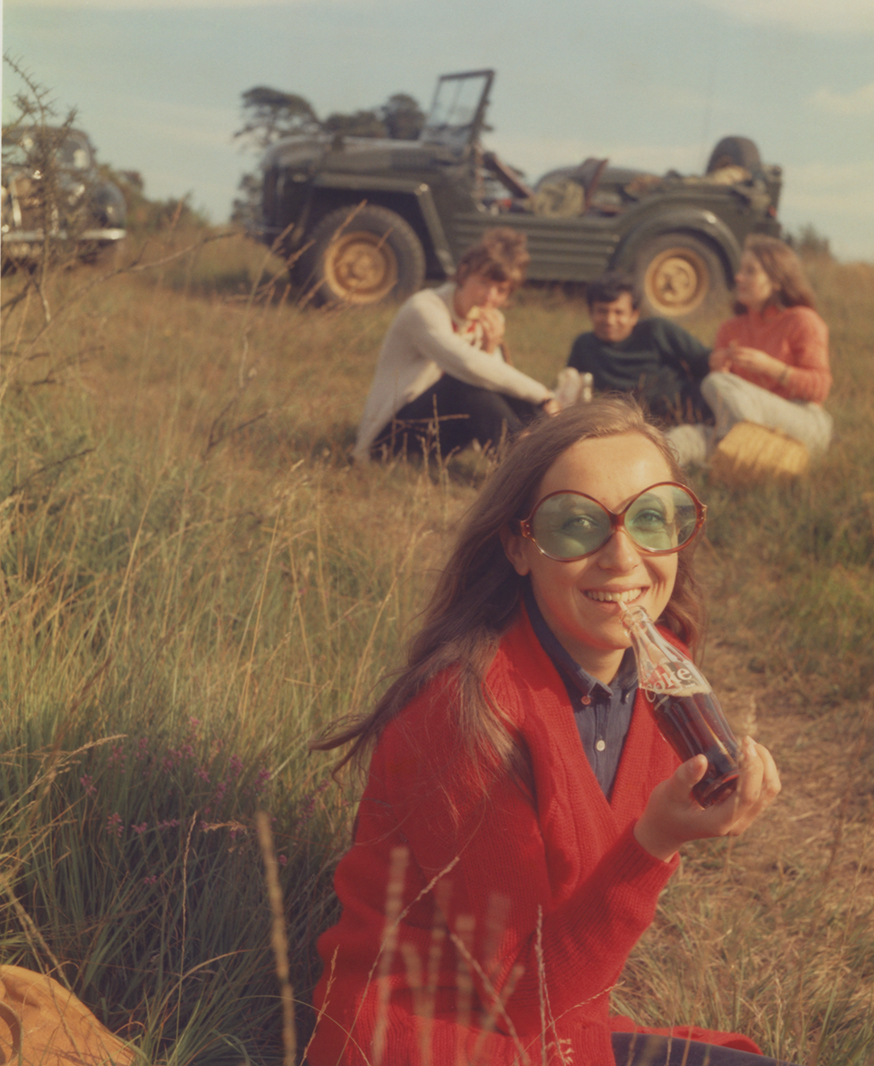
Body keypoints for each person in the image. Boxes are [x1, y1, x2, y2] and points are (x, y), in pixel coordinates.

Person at [309, 397, 787, 1066]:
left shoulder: (664, 672)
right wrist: (656, 842)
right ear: (519, 545)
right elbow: (526, 996)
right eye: (575, 525)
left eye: (651, 517)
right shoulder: (465, 711)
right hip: (424, 1035)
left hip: (554, 1020)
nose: (622, 557)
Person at [351, 228, 556, 462]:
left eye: (501, 290)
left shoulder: (489, 318)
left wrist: (490, 347)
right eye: (484, 282)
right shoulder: (424, 308)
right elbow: (466, 365)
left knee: (508, 392)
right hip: (391, 435)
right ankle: (521, 466)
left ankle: (549, 452)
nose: (490, 297)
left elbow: (495, 381)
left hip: (444, 433)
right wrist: (543, 394)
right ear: (463, 273)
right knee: (465, 384)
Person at [669, 237, 832, 467]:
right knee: (677, 439)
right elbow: (730, 397)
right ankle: (746, 456)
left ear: (776, 281)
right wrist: (722, 370)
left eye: (750, 271)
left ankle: (739, 456)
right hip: (744, 424)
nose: (738, 277)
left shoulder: (802, 320)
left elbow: (820, 388)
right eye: (740, 270)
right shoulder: (730, 328)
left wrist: (770, 367)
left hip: (803, 421)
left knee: (717, 383)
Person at [564, 272, 713, 425]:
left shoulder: (657, 331)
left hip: (683, 416)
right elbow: (569, 390)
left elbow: (705, 361)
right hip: (625, 424)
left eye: (619, 312)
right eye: (602, 311)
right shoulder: (584, 345)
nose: (609, 320)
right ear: (591, 313)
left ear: (634, 315)